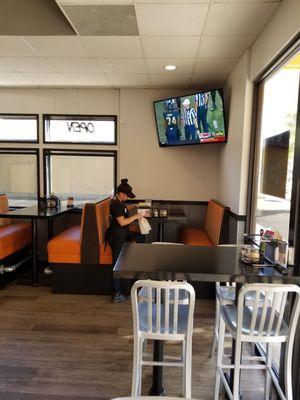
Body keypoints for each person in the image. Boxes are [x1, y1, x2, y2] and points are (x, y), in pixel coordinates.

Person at [106, 178, 144, 303]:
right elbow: (122, 222)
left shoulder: (118, 202)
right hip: (116, 237)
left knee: (141, 238)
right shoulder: (116, 204)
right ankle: (116, 294)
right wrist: (136, 216)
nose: (127, 198)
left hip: (122, 234)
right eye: (127, 195)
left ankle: (134, 285)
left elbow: (125, 209)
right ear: (121, 193)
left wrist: (136, 206)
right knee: (117, 265)